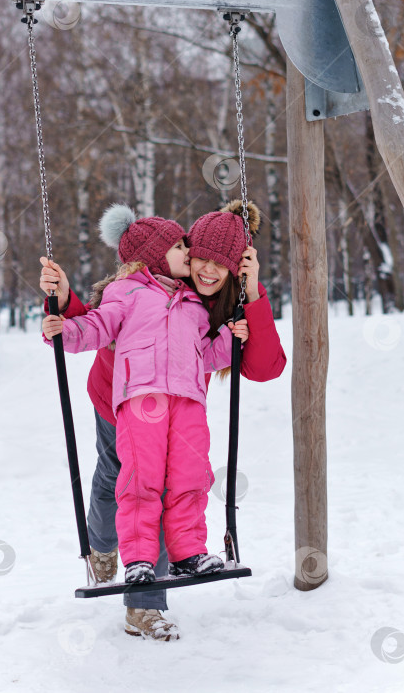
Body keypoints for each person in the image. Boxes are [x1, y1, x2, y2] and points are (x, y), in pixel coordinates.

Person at [40, 199, 286, 640]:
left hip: (180, 404)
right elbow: (96, 323)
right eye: (195, 256)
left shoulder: (199, 300)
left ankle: (146, 601)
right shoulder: (133, 290)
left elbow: (237, 360)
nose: (203, 268)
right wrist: (60, 306)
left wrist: (241, 325)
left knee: (176, 481)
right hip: (120, 396)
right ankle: (103, 544)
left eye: (218, 264)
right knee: (116, 479)